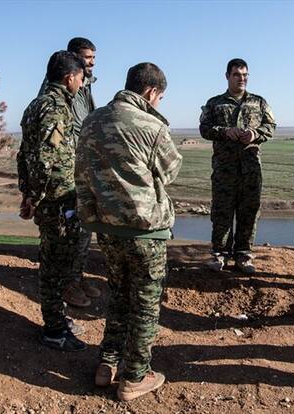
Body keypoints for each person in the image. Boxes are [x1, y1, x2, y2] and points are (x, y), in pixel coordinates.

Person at [75, 62, 182, 401]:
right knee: (146, 304)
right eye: (160, 97)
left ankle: (107, 364)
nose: (158, 103)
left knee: (119, 295)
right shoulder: (152, 126)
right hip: (145, 231)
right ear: (151, 92)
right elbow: (170, 170)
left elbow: (81, 172)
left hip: (106, 228)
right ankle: (135, 376)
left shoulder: (92, 121)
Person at [17, 50, 87, 352]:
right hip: (57, 200)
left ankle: (58, 320)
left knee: (53, 261)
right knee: (56, 266)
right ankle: (55, 330)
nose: (81, 85)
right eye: (80, 79)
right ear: (69, 78)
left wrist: (27, 192)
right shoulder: (56, 108)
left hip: (48, 198)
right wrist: (35, 197)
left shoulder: (36, 105)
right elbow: (45, 158)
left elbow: (23, 155)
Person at [38, 37, 100, 308]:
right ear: (73, 59)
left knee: (84, 225)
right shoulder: (55, 95)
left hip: (82, 164)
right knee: (67, 230)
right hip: (68, 169)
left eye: (94, 58)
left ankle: (77, 276)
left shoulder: (85, 87)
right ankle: (66, 284)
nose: (92, 63)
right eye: (87, 58)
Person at [199, 58, 276, 273]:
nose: (241, 79)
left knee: (249, 212)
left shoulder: (259, 102)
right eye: (236, 75)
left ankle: (243, 254)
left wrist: (255, 134)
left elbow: (271, 126)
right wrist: (225, 132)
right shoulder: (215, 103)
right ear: (227, 76)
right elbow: (204, 128)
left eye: (245, 75)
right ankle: (220, 254)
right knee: (222, 212)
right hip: (224, 169)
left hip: (251, 169)